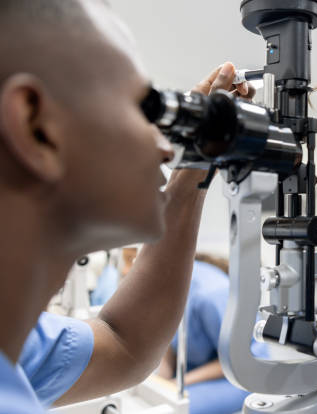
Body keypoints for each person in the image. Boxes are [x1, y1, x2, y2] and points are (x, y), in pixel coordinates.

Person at [0, 0, 252, 412]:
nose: (163, 146)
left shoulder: (16, 345)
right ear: (36, 125)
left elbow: (124, 343)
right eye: (142, 107)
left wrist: (194, 162)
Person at [158, 254, 263, 414]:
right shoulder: (169, 283)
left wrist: (176, 384)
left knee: (172, 408)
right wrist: (160, 381)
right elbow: (169, 339)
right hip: (198, 365)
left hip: (240, 372)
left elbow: (237, 359)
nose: (124, 270)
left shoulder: (212, 294)